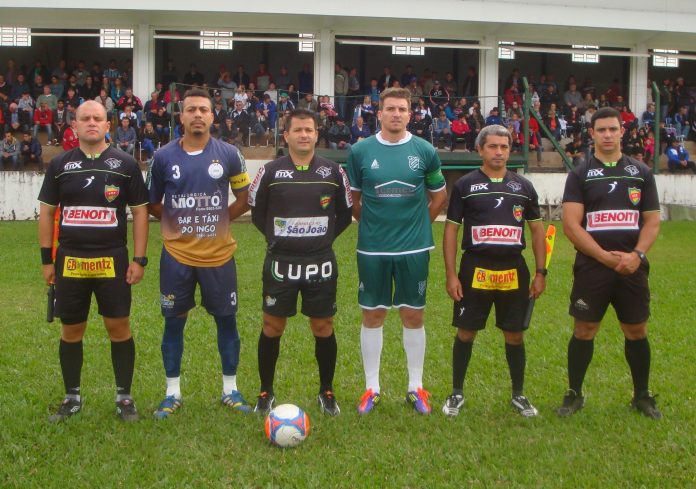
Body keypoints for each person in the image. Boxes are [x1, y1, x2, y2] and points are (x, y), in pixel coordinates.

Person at [37, 100, 149, 422]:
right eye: (84, 118)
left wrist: (139, 259)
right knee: (72, 329)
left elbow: (140, 212)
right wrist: (47, 260)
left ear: (107, 125)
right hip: (70, 260)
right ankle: (72, 397)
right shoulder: (60, 164)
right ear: (74, 125)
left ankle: (124, 398)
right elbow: (46, 212)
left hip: (112, 259)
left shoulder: (125, 164)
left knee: (119, 326)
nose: (91, 122)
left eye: (97, 118)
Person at [148, 88, 253, 418]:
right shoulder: (163, 157)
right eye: (191, 109)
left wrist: (221, 219)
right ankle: (172, 393)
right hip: (176, 255)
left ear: (212, 116)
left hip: (218, 255)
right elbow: (151, 202)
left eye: (203, 110)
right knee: (173, 322)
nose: (197, 115)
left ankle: (230, 389)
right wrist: (175, 222)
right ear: (181, 116)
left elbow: (244, 198)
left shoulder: (230, 154)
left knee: (226, 320)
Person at [347, 87, 448, 415]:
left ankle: (415, 387)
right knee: (373, 314)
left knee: (413, 314)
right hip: (373, 249)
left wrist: (418, 226)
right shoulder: (360, 151)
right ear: (379, 113)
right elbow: (354, 200)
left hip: (414, 248)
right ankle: (371, 388)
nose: (396, 114)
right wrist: (371, 225)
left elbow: (439, 196)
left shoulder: (425, 150)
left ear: (410, 114)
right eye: (390, 108)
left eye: (402, 109)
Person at [247, 109, 353, 416]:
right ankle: (266, 392)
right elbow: (257, 213)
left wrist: (323, 240)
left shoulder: (334, 171)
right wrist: (279, 240)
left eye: (309, 129)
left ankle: (326, 391)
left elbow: (345, 214)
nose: (304, 134)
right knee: (272, 325)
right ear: (286, 136)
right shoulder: (269, 171)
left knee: (323, 326)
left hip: (320, 262)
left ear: (317, 135)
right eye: (298, 130)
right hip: (281, 262)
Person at [558, 107, 662, 419]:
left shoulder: (640, 172)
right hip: (593, 267)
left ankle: (641, 395)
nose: (607, 135)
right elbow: (571, 225)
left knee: (636, 330)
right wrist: (603, 256)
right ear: (591, 134)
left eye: (612, 129)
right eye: (601, 130)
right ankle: (574, 393)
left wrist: (637, 255)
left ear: (622, 132)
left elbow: (652, 221)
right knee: (584, 328)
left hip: (632, 266)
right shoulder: (580, 174)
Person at [442, 125, 546, 417]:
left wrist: (541, 272)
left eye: (504, 147)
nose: (499, 152)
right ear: (480, 149)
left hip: (513, 269)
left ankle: (518, 394)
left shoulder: (523, 187)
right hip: (475, 268)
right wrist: (451, 274)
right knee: (466, 332)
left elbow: (537, 231)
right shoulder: (465, 185)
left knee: (515, 335)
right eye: (492, 146)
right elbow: (451, 231)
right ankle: (456, 392)